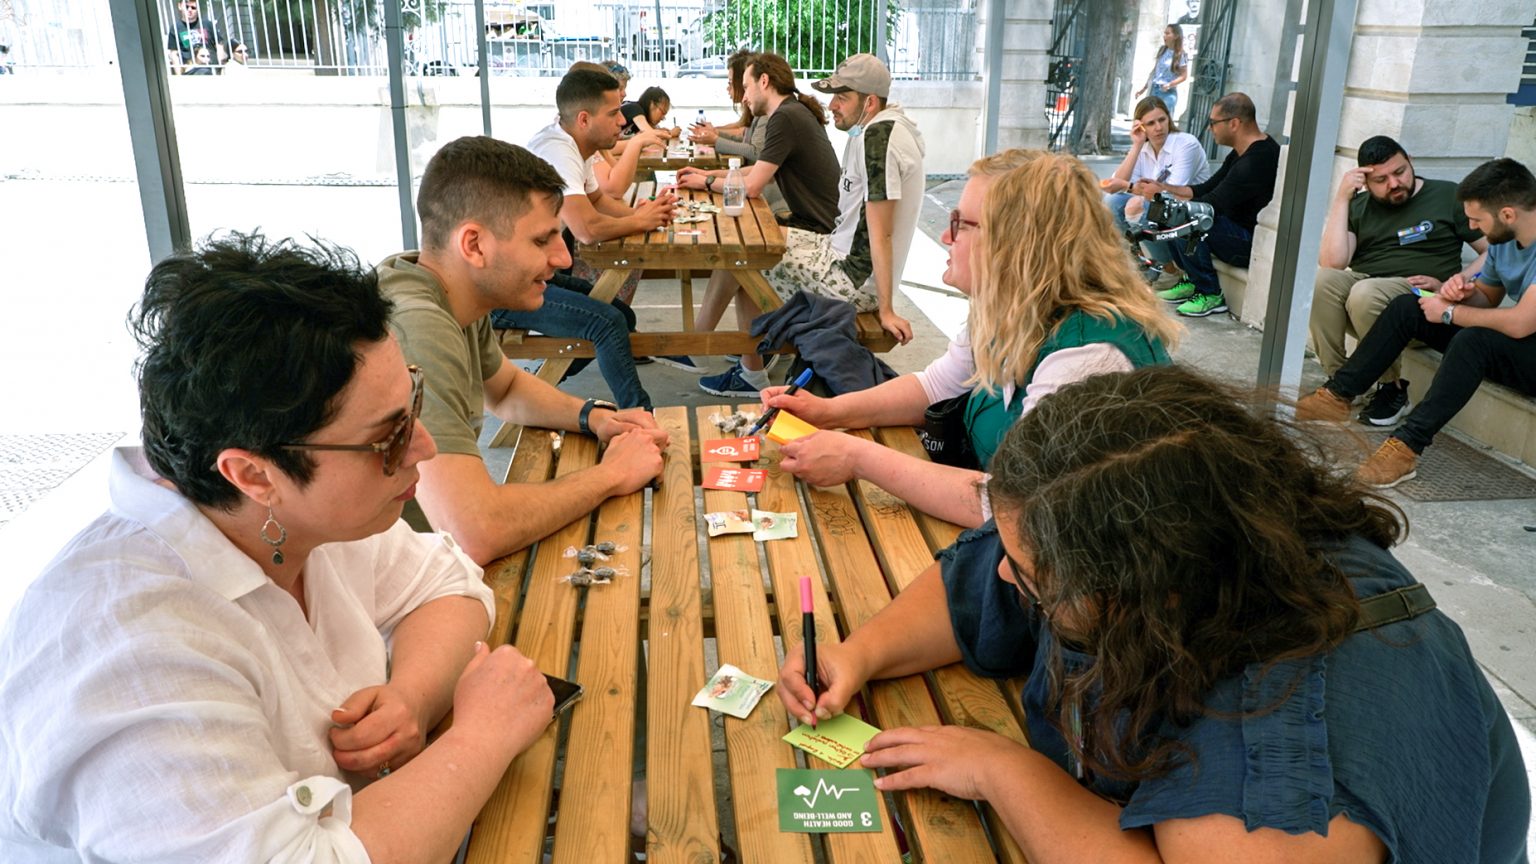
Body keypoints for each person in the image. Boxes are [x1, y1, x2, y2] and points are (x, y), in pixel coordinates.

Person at [778, 365, 1530, 863]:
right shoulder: (1181, 532)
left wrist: (1001, 771)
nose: (1006, 574)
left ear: (1147, 594)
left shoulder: (1287, 768)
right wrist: (858, 653)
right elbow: (976, 585)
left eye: (1033, 575)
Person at [0, 233, 556, 860]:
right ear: (253, 474)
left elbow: (446, 582)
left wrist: (412, 697)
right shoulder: (133, 652)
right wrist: (479, 737)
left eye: (415, 402)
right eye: (388, 437)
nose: (424, 447)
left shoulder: (292, 518)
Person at [762, 150, 1177, 527]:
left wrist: (857, 458)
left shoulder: (1092, 355)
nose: (946, 237)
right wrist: (827, 411)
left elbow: (1014, 505)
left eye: (959, 224)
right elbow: (936, 386)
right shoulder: (1013, 306)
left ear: (1016, 244)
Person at [378, 136, 668, 565]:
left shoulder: (448, 289)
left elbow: (507, 390)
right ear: (474, 245)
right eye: (541, 240)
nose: (563, 258)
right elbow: (475, 531)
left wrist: (596, 416)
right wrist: (613, 474)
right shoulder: (417, 327)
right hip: (398, 576)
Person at [692, 53, 926, 398]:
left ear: (870, 102)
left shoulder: (880, 139)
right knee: (750, 247)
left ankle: (731, 361)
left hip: (851, 279)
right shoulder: (877, 129)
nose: (832, 106)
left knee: (744, 257)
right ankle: (730, 354)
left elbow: (882, 231)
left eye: (842, 98)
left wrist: (887, 308)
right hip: (835, 249)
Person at [1297, 157, 1536, 489]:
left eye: (1477, 220)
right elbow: (1488, 297)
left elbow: (1521, 323)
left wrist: (1450, 313)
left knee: (1473, 341)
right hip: (1521, 341)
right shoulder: (1504, 240)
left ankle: (1406, 446)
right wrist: (1458, 293)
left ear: (1507, 214)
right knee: (1409, 307)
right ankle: (1336, 397)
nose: (1473, 227)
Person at [672, 52, 844, 391]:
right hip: (811, 226)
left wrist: (707, 181)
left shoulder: (785, 117)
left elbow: (751, 187)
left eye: (746, 86)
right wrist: (708, 175)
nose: (745, 96)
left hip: (821, 236)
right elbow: (756, 171)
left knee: (741, 257)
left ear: (765, 81)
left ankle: (703, 348)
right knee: (740, 256)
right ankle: (724, 357)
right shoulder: (792, 111)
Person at [1309, 135, 1488, 426]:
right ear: (1366, 181)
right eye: (1381, 179)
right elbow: (1333, 262)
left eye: (1400, 171)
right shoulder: (1359, 206)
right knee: (1323, 280)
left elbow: (1494, 252)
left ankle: (1391, 388)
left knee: (1366, 292)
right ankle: (1340, 383)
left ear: (1410, 162)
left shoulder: (1446, 195)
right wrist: (1342, 198)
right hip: (1366, 295)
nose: (1394, 183)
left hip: (1421, 299)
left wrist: (1455, 282)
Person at [1134, 92, 1280, 318]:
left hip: (1247, 242)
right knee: (1169, 211)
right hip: (1230, 230)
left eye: (1213, 123)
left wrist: (1168, 199)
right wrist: (1163, 188)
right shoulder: (1241, 152)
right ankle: (1191, 279)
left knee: (1185, 216)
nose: (1210, 129)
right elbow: (1206, 188)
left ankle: (1209, 292)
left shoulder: (1258, 159)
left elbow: (1214, 203)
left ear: (1234, 123)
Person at [1100, 95, 1211, 279]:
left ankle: (1167, 272)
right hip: (1160, 209)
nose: (1158, 127)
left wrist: (1130, 187)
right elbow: (1114, 186)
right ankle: (1149, 264)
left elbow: (1170, 193)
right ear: (1141, 126)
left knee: (1137, 206)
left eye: (1162, 120)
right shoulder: (1143, 148)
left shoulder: (1186, 144)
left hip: (1190, 210)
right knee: (1112, 202)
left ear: (1169, 119)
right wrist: (1137, 145)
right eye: (1151, 123)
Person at [1134, 23, 1189, 120]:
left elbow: (1184, 76)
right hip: (1154, 89)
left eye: (1167, 33)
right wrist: (1143, 88)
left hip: (1167, 93)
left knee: (1163, 121)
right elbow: (1155, 71)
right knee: (1149, 119)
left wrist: (1170, 84)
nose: (1164, 36)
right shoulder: (1162, 50)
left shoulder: (1180, 54)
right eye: (1164, 33)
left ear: (1176, 36)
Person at [165, 0, 225, 73]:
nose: (190, 10)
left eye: (193, 7)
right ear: (180, 6)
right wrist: (179, 75)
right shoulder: (175, 28)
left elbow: (219, 46)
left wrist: (220, 67)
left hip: (211, 68)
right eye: (187, 7)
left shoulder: (208, 24)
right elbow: (174, 54)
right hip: (190, 70)